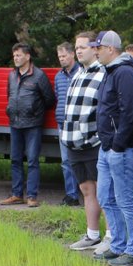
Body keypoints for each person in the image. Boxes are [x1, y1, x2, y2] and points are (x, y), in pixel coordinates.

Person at [92, 30, 133, 266]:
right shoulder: (110, 71)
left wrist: (117, 144)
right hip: (108, 147)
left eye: (99, 48)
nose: (96, 51)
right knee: (105, 196)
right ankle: (118, 244)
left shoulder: (124, 72)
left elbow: (131, 111)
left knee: (126, 199)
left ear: (111, 49)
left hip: (122, 149)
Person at [63, 31, 109, 251]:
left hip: (94, 143)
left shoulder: (104, 74)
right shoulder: (76, 75)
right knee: (86, 190)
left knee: (104, 190)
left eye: (83, 47)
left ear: (95, 49)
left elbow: (106, 111)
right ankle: (93, 235)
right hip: (73, 143)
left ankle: (112, 237)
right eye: (77, 47)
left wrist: (98, 137)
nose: (79, 50)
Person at [1, 42, 55, 207]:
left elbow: (50, 100)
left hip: (33, 124)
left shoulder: (39, 75)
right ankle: (17, 194)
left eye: (18, 55)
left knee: (32, 160)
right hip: (15, 123)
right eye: (14, 55)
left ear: (27, 56)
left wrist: (34, 112)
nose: (15, 58)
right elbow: (9, 95)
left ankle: (31, 196)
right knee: (15, 160)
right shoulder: (12, 75)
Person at [54, 42, 82, 206]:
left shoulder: (81, 73)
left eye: (64, 56)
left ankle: (88, 194)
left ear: (72, 54)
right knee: (65, 162)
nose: (62, 59)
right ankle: (71, 195)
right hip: (62, 123)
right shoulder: (59, 76)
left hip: (78, 124)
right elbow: (58, 96)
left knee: (81, 161)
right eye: (59, 57)